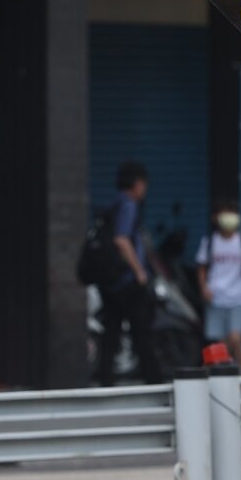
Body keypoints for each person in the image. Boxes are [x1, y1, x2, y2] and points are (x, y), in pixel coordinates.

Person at [96, 161, 164, 385]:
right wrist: (140, 272)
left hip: (111, 282)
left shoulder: (114, 204)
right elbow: (122, 240)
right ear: (136, 184)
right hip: (127, 281)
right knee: (142, 331)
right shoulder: (129, 205)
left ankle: (105, 379)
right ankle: (154, 381)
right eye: (143, 183)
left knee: (112, 331)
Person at [195, 202, 241, 370]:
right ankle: (223, 375)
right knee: (220, 343)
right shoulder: (210, 242)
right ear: (215, 218)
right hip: (216, 297)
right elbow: (201, 267)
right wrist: (204, 288)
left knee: (236, 338)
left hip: (238, 296)